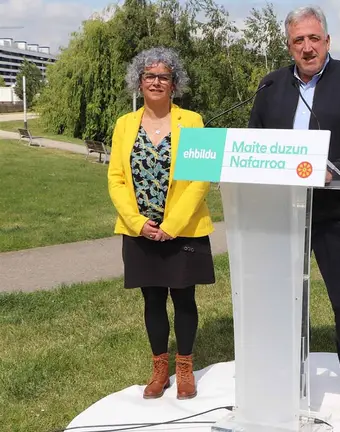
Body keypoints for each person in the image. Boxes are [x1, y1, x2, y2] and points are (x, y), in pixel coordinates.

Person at [247, 5, 340, 423]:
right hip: (280, 216)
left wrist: (335, 169)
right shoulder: (271, 84)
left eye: (314, 39)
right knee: (280, 304)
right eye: (298, 41)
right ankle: (281, 382)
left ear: (327, 40)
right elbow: (254, 143)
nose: (307, 47)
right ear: (288, 45)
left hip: (336, 214)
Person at [107, 47, 215, 401]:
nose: (156, 82)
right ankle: (159, 370)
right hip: (140, 232)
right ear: (139, 82)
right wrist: (138, 223)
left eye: (163, 76)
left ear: (174, 83)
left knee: (184, 299)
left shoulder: (194, 121)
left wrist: (173, 223)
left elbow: (201, 177)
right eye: (149, 76)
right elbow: (116, 178)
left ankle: (184, 368)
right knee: (152, 300)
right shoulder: (124, 124)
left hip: (182, 229)